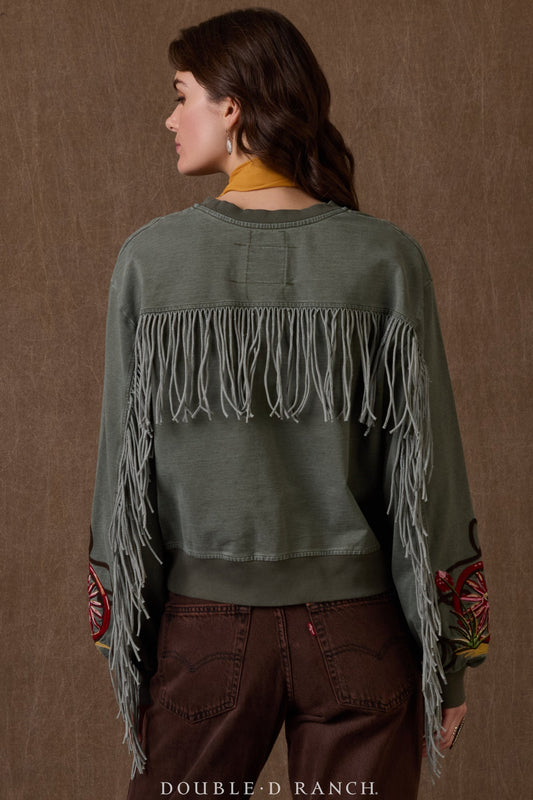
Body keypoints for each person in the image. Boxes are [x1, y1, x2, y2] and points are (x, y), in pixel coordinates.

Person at [88, 8, 490, 799]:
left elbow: (124, 485)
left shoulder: (150, 262)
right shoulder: (384, 258)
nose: (170, 119)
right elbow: (428, 480)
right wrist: (447, 661)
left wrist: (128, 653)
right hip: (358, 632)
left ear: (231, 106)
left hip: (203, 634)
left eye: (181, 95)